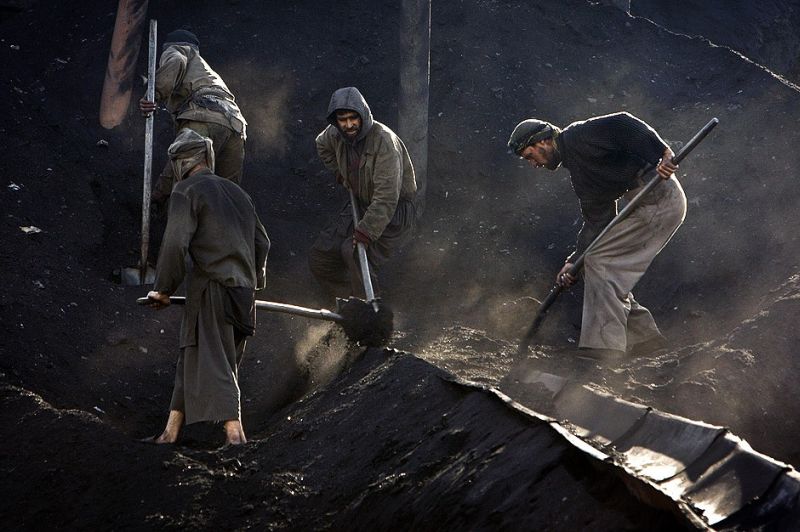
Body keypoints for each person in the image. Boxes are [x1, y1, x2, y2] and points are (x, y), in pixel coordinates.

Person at [508, 111, 685, 361]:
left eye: (530, 155)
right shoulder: (581, 175)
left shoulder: (581, 135)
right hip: (646, 205)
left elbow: (624, 123)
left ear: (543, 142)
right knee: (600, 261)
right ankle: (646, 338)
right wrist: (574, 262)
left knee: (600, 261)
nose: (533, 163)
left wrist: (662, 152)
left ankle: (603, 348)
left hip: (659, 198)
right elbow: (597, 222)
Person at [144, 128, 269, 445]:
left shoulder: (187, 190)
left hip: (213, 289)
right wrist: (254, 281)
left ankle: (236, 437)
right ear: (207, 157)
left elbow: (175, 244)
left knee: (215, 362)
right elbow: (262, 242)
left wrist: (163, 289)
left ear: (180, 163)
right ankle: (169, 433)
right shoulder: (239, 194)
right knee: (193, 355)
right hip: (244, 294)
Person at [309, 86, 417, 303]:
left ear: (363, 116)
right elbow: (321, 145)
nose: (349, 125)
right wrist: (340, 173)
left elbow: (386, 199)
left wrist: (365, 233)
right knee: (322, 256)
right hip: (360, 202)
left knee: (355, 253)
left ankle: (370, 312)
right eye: (343, 119)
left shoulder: (384, 141)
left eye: (353, 118)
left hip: (393, 212)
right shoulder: (335, 135)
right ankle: (350, 303)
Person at [139, 29, 247, 207]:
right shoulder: (207, 71)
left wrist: (153, 95)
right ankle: (227, 230)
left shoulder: (178, 50)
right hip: (235, 124)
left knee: (182, 170)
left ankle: (157, 203)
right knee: (228, 196)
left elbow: (175, 60)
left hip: (204, 115)